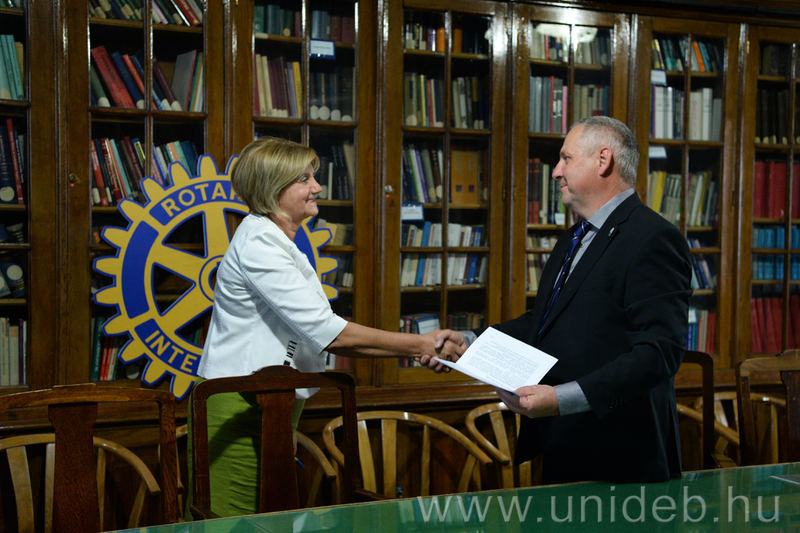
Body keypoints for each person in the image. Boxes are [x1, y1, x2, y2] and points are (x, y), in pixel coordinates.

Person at [420, 116, 693, 484]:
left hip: (622, 458)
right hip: (564, 446)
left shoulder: (653, 238)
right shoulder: (572, 239)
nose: (555, 172)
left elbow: (658, 354)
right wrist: (470, 341)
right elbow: (543, 322)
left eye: (566, 158)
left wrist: (563, 398)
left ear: (603, 160)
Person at [191, 137, 454, 517]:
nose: (317, 187)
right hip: (240, 405)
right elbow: (331, 333)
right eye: (304, 179)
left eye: (313, 177)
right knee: (232, 523)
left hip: (270, 401)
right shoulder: (259, 244)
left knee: (269, 520)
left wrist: (419, 347)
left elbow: (323, 332)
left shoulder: (277, 240)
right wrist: (421, 345)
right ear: (272, 188)